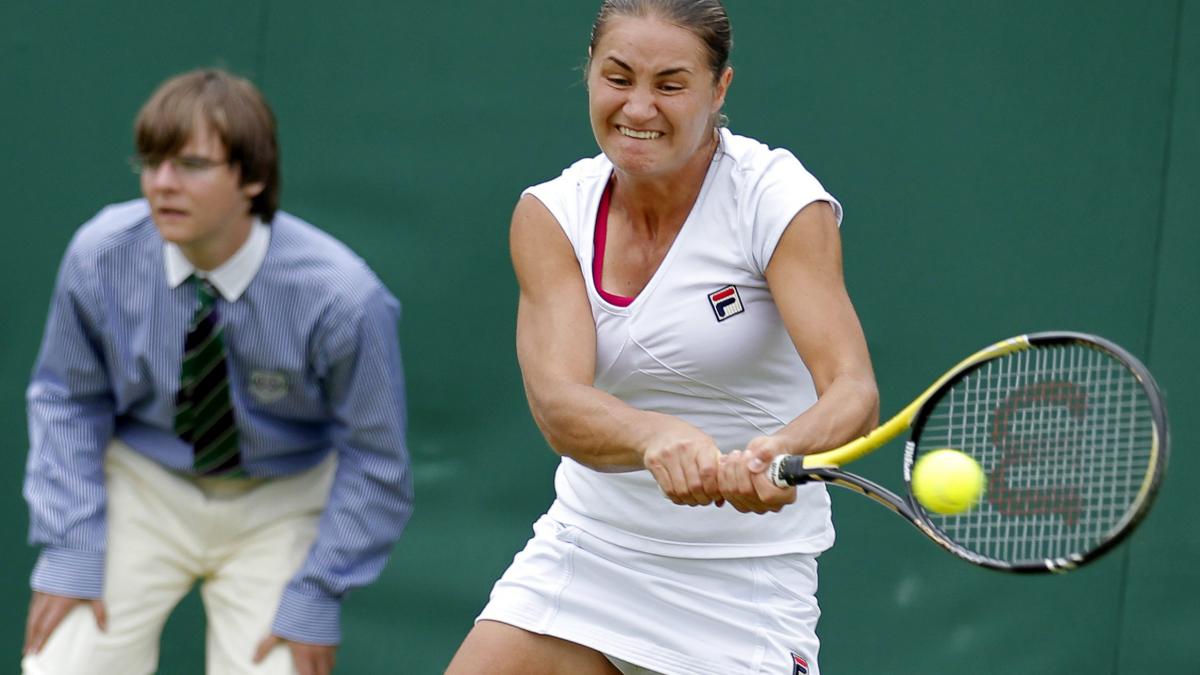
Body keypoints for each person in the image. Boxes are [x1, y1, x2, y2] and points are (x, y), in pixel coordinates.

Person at [447, 1, 879, 673]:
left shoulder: (775, 197)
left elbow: (852, 390)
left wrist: (780, 448)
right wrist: (654, 435)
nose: (638, 108)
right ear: (588, 73)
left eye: (670, 85)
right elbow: (558, 403)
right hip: (589, 551)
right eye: (617, 78)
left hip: (746, 582)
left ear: (719, 90)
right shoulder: (550, 214)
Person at [21, 68, 413, 675]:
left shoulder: (344, 299)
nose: (162, 184)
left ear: (253, 177)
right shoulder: (100, 255)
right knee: (62, 662)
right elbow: (67, 399)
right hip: (142, 483)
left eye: (192, 165)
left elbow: (376, 461)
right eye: (151, 163)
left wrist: (316, 593)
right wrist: (72, 545)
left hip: (282, 500)